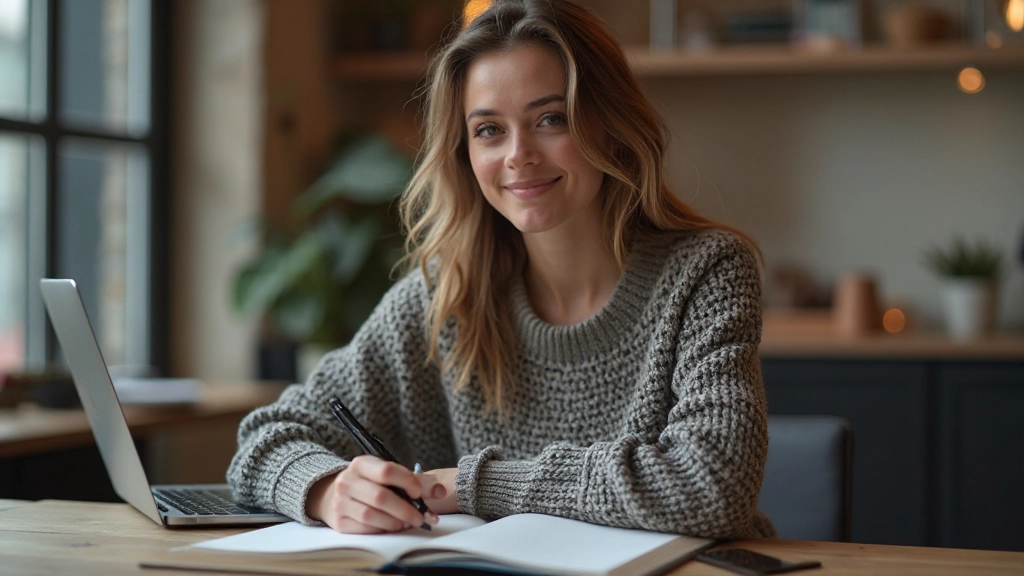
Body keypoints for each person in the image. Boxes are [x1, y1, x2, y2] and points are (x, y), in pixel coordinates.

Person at [228, 0, 775, 539]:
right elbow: (266, 437)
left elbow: (712, 484)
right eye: (489, 129)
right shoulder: (448, 295)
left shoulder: (706, 273)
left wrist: (474, 485)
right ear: (464, 151)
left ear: (610, 124)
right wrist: (326, 488)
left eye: (550, 119)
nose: (519, 155)